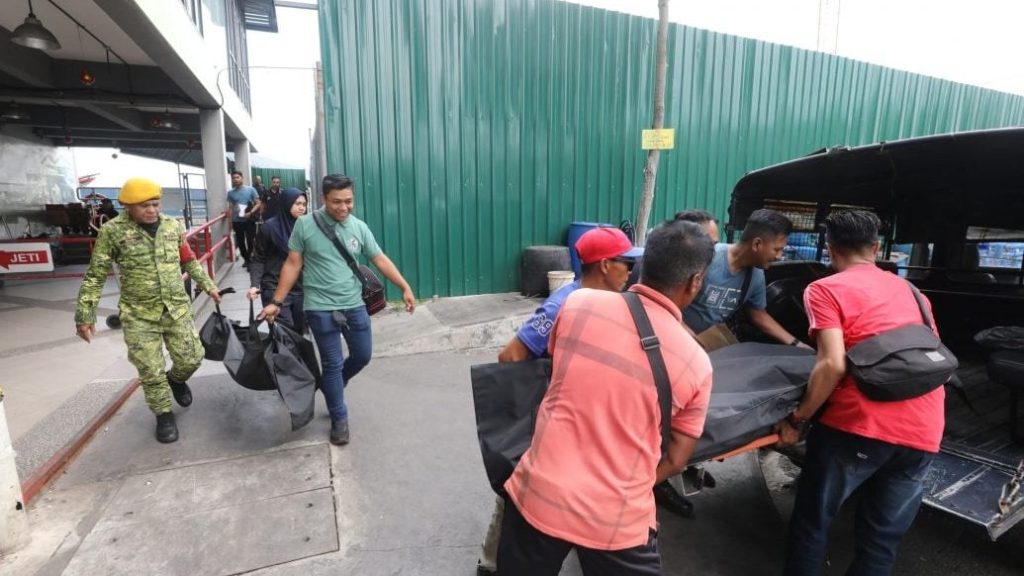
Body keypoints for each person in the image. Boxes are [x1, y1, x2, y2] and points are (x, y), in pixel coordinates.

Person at [497, 220, 715, 575]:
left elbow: (558, 370)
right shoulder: (697, 363)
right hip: (616, 519)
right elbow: (677, 459)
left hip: (539, 493)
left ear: (644, 264)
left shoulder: (577, 304)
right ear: (695, 281)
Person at [776, 210, 944, 576]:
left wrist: (798, 418)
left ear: (830, 249)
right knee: (881, 541)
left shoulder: (824, 289)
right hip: (924, 431)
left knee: (812, 521)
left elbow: (832, 364)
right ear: (876, 248)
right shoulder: (914, 293)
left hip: (858, 426)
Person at [477, 226, 642, 576]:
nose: (631, 271)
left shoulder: (611, 304)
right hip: (549, 419)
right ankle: (491, 563)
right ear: (604, 265)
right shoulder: (561, 305)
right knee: (518, 493)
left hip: (576, 420)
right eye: (626, 263)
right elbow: (510, 356)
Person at [258, 174, 416, 446]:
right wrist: (277, 301)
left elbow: (379, 258)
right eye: (336, 202)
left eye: (348, 201)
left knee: (363, 355)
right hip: (320, 308)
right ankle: (339, 416)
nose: (344, 207)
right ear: (323, 199)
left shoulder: (358, 227)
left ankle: (332, 387)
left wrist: (404, 286)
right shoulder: (305, 225)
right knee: (331, 363)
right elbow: (293, 264)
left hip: (354, 304)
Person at [74, 178, 221, 443]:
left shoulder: (172, 226)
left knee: (192, 358)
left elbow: (188, 260)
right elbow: (96, 274)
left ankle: (176, 380)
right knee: (151, 370)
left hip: (175, 308)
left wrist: (208, 285)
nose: (152, 210)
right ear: (128, 206)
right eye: (144, 206)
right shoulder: (112, 231)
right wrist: (85, 314)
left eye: (155, 204)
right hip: (138, 315)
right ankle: (163, 415)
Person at [683, 208, 811, 350]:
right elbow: (669, 302)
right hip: (681, 337)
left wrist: (796, 344)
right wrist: (689, 338)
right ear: (757, 244)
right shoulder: (707, 258)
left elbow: (758, 315)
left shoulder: (756, 275)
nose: (780, 256)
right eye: (776, 249)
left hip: (710, 341)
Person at [248, 188, 308, 334]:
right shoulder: (269, 228)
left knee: (299, 333)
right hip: (273, 287)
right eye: (297, 203)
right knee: (284, 333)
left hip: (301, 288)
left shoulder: (307, 228)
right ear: (286, 203)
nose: (302, 208)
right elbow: (258, 258)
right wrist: (254, 284)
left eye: (304, 204)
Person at [227, 170, 261, 267]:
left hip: (249, 219)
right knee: (240, 242)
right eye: (234, 178)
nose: (236, 179)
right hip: (237, 221)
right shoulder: (230, 193)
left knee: (250, 240)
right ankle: (246, 259)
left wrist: (251, 212)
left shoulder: (251, 190)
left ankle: (249, 257)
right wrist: (230, 222)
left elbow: (258, 203)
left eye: (237, 177)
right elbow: (230, 208)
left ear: (242, 178)